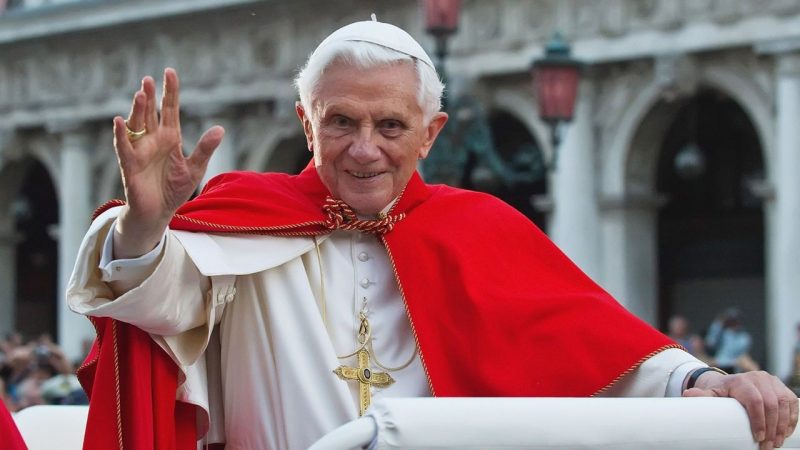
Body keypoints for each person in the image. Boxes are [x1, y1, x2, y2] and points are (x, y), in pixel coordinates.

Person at [67, 18, 797, 450]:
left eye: (390, 125)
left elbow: (597, 353)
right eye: (340, 122)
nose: (364, 149)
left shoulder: (479, 227)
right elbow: (153, 296)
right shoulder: (240, 217)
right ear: (305, 124)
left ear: (431, 133)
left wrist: (707, 379)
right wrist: (146, 219)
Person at [706, 308, 754, 374]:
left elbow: (740, 356)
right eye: (730, 321)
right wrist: (718, 325)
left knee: (750, 366)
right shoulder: (721, 332)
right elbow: (710, 343)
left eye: (734, 321)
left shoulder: (744, 337)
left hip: (734, 365)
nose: (732, 324)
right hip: (717, 362)